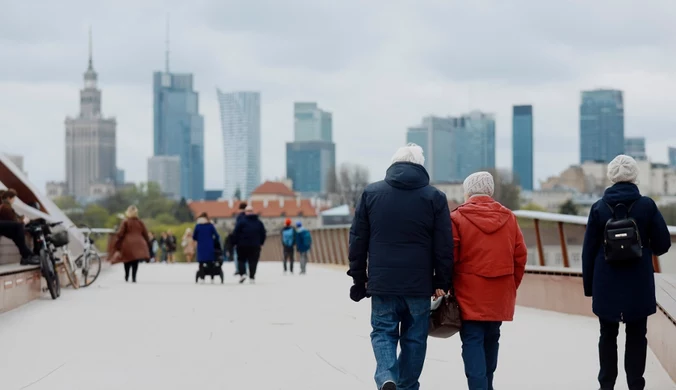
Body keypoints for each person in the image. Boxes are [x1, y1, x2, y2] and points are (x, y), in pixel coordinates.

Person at [347, 144, 453, 390]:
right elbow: (444, 245)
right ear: (420, 166)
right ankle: (407, 386)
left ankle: (386, 377)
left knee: (383, 331)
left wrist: (358, 277)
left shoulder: (371, 193)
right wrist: (442, 281)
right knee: (415, 338)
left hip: (383, 283)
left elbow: (357, 239)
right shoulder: (434, 197)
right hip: (419, 285)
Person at [582, 155, 671, 390]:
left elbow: (588, 251)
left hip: (605, 281)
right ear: (634, 176)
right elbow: (663, 244)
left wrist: (589, 287)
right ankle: (635, 384)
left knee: (607, 335)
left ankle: (606, 385)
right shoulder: (647, 206)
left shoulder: (598, 208)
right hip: (637, 281)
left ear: (612, 176)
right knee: (637, 335)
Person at [451, 171, 528, 390]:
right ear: (490, 191)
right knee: (492, 337)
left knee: (472, 340)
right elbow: (520, 257)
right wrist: (511, 285)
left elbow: (451, 258)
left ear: (468, 192)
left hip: (468, 292)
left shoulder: (456, 218)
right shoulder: (509, 217)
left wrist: (447, 286)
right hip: (499, 291)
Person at [0, 189, 40, 265]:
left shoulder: (6, 206)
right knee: (18, 227)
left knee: (16, 232)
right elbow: (14, 220)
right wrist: (24, 221)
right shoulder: (5, 207)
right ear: (9, 198)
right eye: (13, 199)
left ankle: (27, 255)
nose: (14, 201)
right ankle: (27, 256)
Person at [112, 205, 150, 283]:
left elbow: (121, 233)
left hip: (127, 243)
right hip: (138, 243)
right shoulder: (140, 222)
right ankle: (134, 277)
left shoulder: (125, 222)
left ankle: (126, 275)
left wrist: (116, 239)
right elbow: (145, 233)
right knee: (135, 261)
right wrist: (148, 243)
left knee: (127, 260)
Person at [231, 205, 266, 284]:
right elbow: (263, 233)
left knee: (241, 260)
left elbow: (235, 233)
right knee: (253, 261)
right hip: (255, 245)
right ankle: (252, 277)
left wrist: (234, 243)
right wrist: (261, 243)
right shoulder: (258, 222)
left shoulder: (241, 222)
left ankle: (243, 274)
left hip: (242, 245)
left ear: (245, 212)